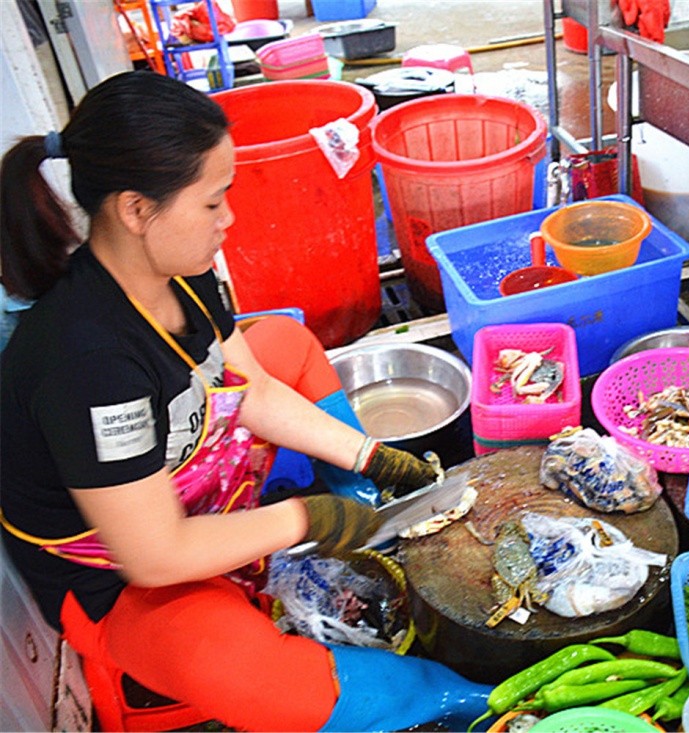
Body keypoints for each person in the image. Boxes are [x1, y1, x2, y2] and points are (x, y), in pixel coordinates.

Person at [0, 71, 490, 732]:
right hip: (124, 573)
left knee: (284, 340)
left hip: (178, 475)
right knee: (250, 675)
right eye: (212, 202)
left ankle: (369, 514)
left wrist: (369, 455)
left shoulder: (181, 270)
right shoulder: (86, 364)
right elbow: (155, 553)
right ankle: (445, 693)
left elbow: (249, 385)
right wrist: (303, 518)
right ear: (136, 210)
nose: (229, 219)